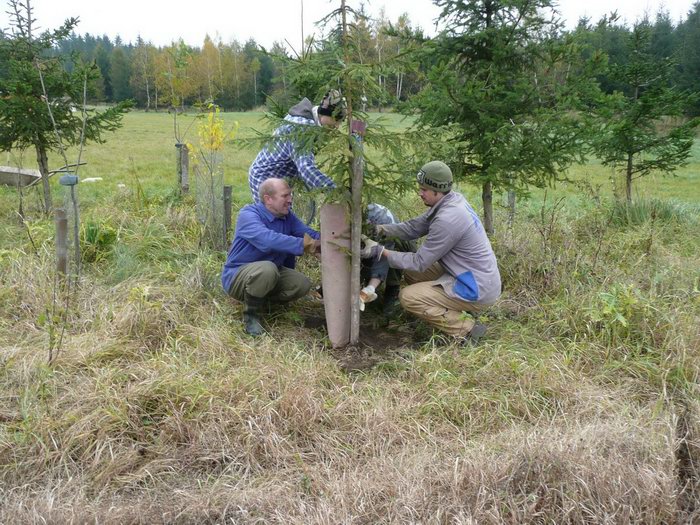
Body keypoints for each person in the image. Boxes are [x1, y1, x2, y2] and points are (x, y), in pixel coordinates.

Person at [360, 161, 501, 345]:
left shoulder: (448, 219)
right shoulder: (450, 201)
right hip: (469, 275)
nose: (420, 193)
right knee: (411, 273)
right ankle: (453, 308)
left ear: (438, 190)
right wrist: (380, 229)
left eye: (424, 189)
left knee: (408, 297)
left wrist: (380, 251)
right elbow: (413, 228)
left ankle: (467, 328)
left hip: (475, 287)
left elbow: (419, 262)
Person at [222, 178, 321, 336]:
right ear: (268, 199)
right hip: (238, 275)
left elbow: (310, 234)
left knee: (301, 284)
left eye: (290, 195)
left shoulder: (287, 217)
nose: (290, 199)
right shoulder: (248, 215)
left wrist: (331, 241)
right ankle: (251, 317)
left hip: (271, 272)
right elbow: (267, 240)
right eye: (285, 196)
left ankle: (263, 302)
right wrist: (308, 245)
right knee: (267, 269)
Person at [248, 90, 346, 204]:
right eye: (336, 120)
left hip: (280, 178)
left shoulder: (311, 118)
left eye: (341, 122)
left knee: (285, 217)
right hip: (265, 178)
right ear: (324, 113)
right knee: (273, 217)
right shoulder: (302, 128)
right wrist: (334, 190)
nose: (337, 126)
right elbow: (306, 168)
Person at [359, 203, 414, 316]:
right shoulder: (339, 218)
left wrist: (370, 288)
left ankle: (390, 301)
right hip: (371, 242)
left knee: (392, 261)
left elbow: (383, 257)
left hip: (397, 243)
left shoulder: (381, 218)